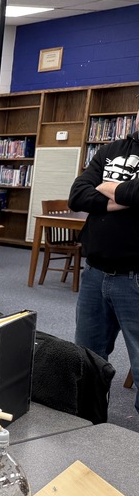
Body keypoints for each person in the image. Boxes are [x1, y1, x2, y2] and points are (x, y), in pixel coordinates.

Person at [69, 131, 139, 412]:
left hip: (135, 277)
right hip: (95, 272)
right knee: (86, 357)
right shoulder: (112, 149)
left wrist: (107, 187)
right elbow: (77, 194)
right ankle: (87, 422)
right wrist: (128, 197)